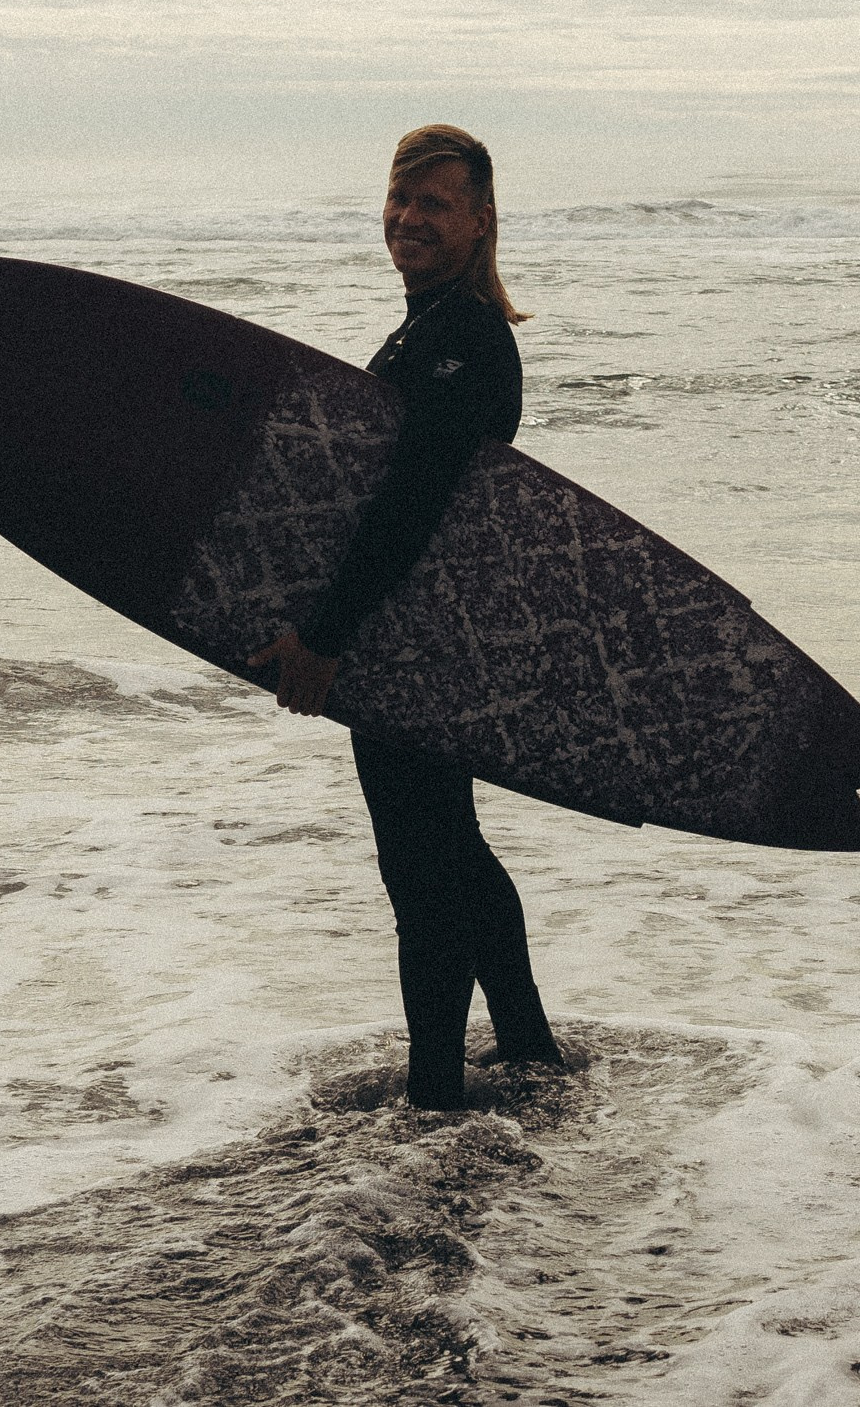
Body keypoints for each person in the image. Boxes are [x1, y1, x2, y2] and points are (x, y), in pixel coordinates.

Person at [248, 124, 563, 1110]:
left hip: (411, 643)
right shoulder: (431, 330)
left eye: (434, 202)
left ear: (480, 221)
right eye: (400, 198)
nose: (409, 218)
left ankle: (436, 1097)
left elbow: (410, 503)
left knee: (422, 869)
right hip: (419, 635)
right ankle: (528, 1048)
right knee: (451, 848)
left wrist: (326, 637)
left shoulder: (463, 337)